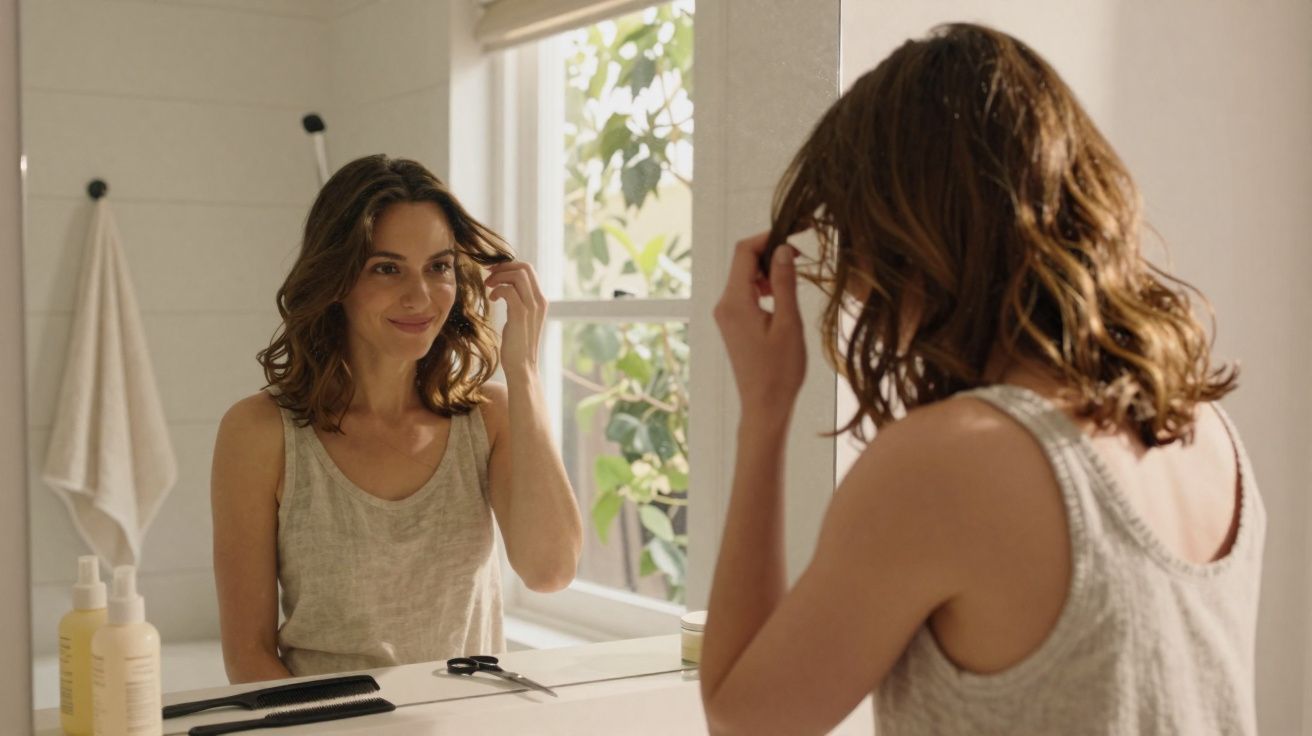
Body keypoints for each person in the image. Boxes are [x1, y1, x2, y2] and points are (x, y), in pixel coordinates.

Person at [699, 23, 1263, 735]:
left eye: (855, 237)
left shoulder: (952, 460)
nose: (855, 282)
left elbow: (745, 721)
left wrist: (765, 410)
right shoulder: (1207, 432)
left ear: (905, 238)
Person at [211, 155, 582, 682]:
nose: (420, 296)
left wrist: (521, 371)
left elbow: (550, 571)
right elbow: (249, 655)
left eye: (438, 267)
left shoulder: (490, 416)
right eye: (387, 268)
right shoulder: (260, 433)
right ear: (337, 280)